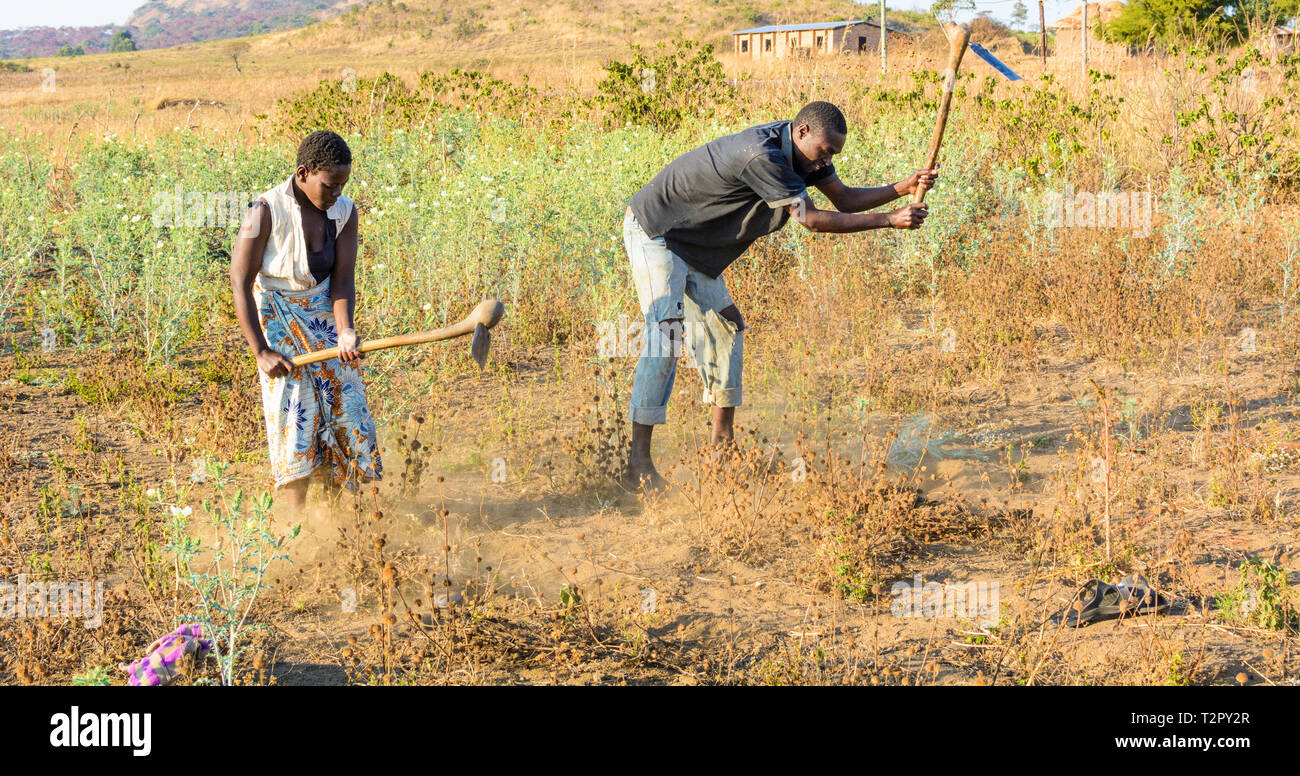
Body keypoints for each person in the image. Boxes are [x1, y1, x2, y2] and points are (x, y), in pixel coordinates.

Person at [622, 101, 937, 489]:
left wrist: (902, 188)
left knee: (727, 327)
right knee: (666, 337)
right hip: (658, 232)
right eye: (824, 153)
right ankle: (637, 464)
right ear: (802, 132)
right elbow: (811, 220)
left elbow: (844, 200)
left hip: (695, 246)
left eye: (833, 155)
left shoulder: (808, 157)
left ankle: (722, 448)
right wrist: (890, 220)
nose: (826, 163)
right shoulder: (762, 155)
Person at [229, 129, 382, 513]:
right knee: (295, 419)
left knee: (348, 406)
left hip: (324, 320)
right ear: (302, 173)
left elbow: (342, 281)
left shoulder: (345, 212)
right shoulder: (261, 212)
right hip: (276, 321)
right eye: (330, 185)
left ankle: (346, 522)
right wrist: (261, 351)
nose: (336, 195)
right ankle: (293, 534)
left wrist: (345, 330)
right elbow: (240, 282)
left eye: (343, 185)